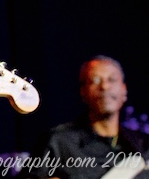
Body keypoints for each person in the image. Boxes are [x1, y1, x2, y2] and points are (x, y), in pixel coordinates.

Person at [20, 56, 149, 179]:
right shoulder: (59, 142)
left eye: (112, 80)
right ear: (83, 92)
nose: (104, 87)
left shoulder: (143, 146)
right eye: (95, 80)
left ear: (124, 90)